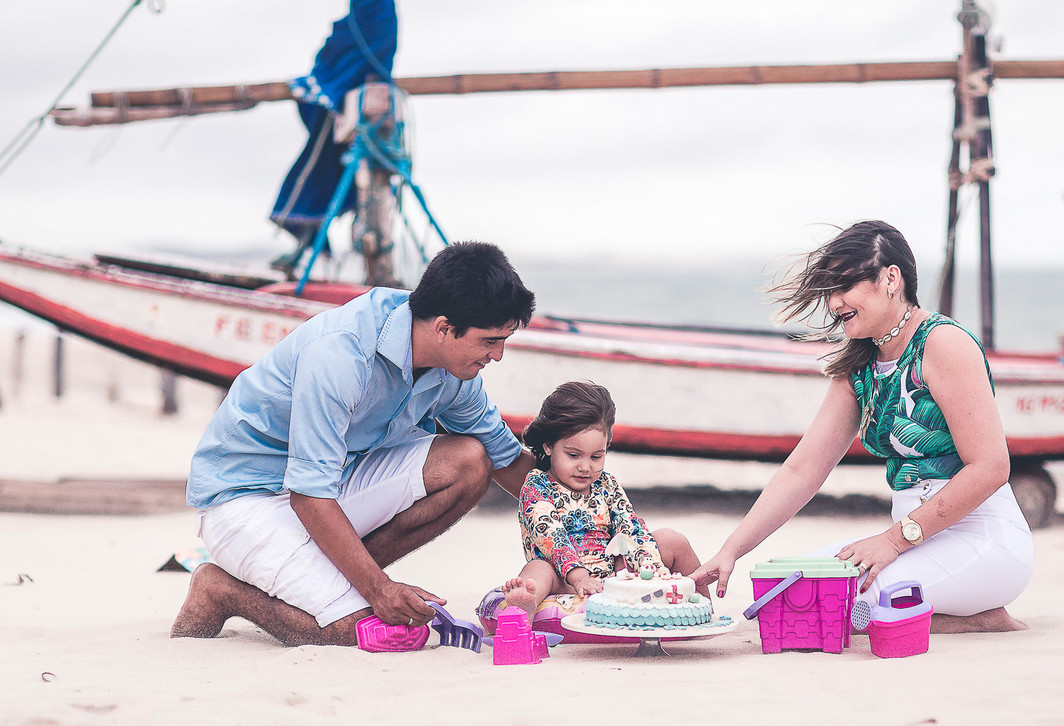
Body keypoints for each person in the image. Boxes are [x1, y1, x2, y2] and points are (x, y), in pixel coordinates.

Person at [172, 241, 538, 648]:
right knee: (378, 632)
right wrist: (379, 589)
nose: (498, 355)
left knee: (471, 461)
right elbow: (308, 496)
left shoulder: (454, 367)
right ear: (443, 328)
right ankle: (221, 590)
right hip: (246, 498)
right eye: (490, 341)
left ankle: (332, 582)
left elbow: (508, 460)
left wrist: (593, 521)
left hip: (331, 488)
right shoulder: (339, 355)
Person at [690, 220, 1033, 633]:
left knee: (841, 606)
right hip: (913, 543)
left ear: (891, 278)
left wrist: (892, 542)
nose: (835, 303)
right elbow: (802, 471)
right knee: (785, 594)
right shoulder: (858, 366)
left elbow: (992, 466)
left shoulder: (943, 343)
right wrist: (731, 551)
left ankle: (980, 618)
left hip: (982, 540)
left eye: (845, 286)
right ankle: (954, 614)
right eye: (830, 291)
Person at [494, 381, 707, 621]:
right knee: (538, 571)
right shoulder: (537, 486)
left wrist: (651, 570)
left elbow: (630, 526)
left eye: (597, 456)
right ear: (548, 445)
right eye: (573, 455)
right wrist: (580, 578)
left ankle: (700, 608)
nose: (585, 467)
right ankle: (523, 609)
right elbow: (551, 537)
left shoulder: (607, 484)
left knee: (671, 539)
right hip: (564, 579)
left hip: (615, 575)